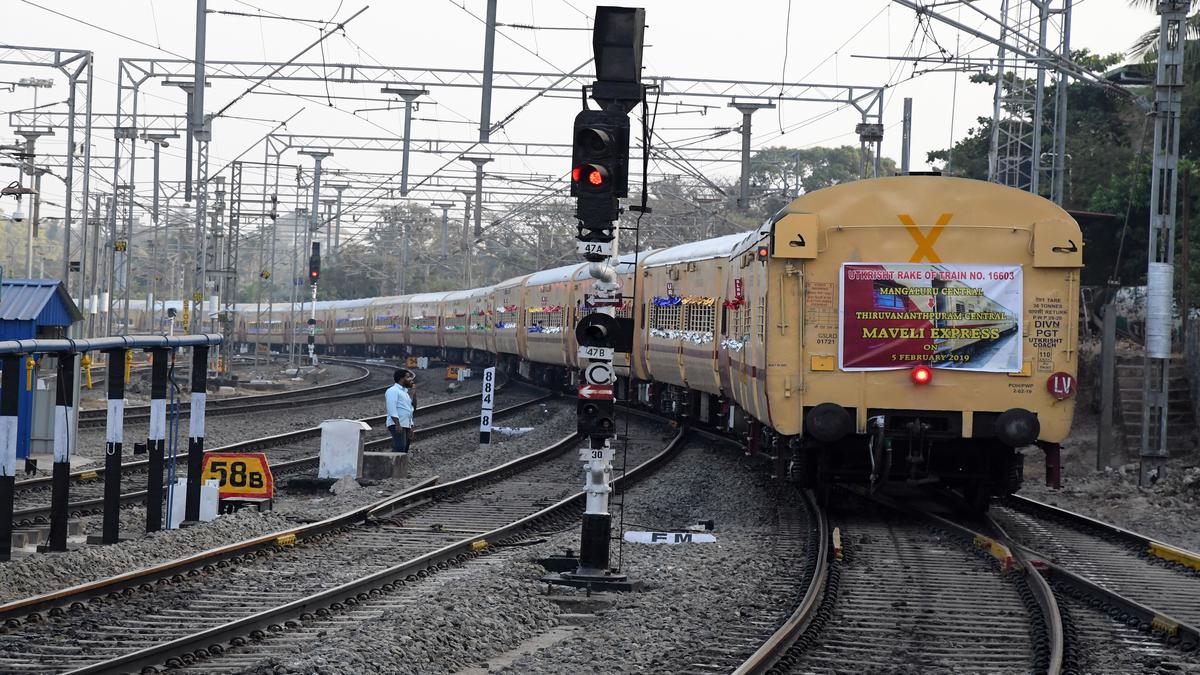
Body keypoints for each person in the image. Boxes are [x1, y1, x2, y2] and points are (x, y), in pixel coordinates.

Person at [385, 368, 415, 453]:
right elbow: (391, 408)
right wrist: (397, 424)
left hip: (405, 424)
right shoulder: (393, 390)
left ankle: (399, 466)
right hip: (397, 424)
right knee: (399, 449)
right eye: (408, 377)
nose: (411, 380)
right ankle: (392, 466)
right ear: (402, 379)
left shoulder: (405, 393)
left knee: (404, 450)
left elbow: (411, 409)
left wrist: (410, 427)